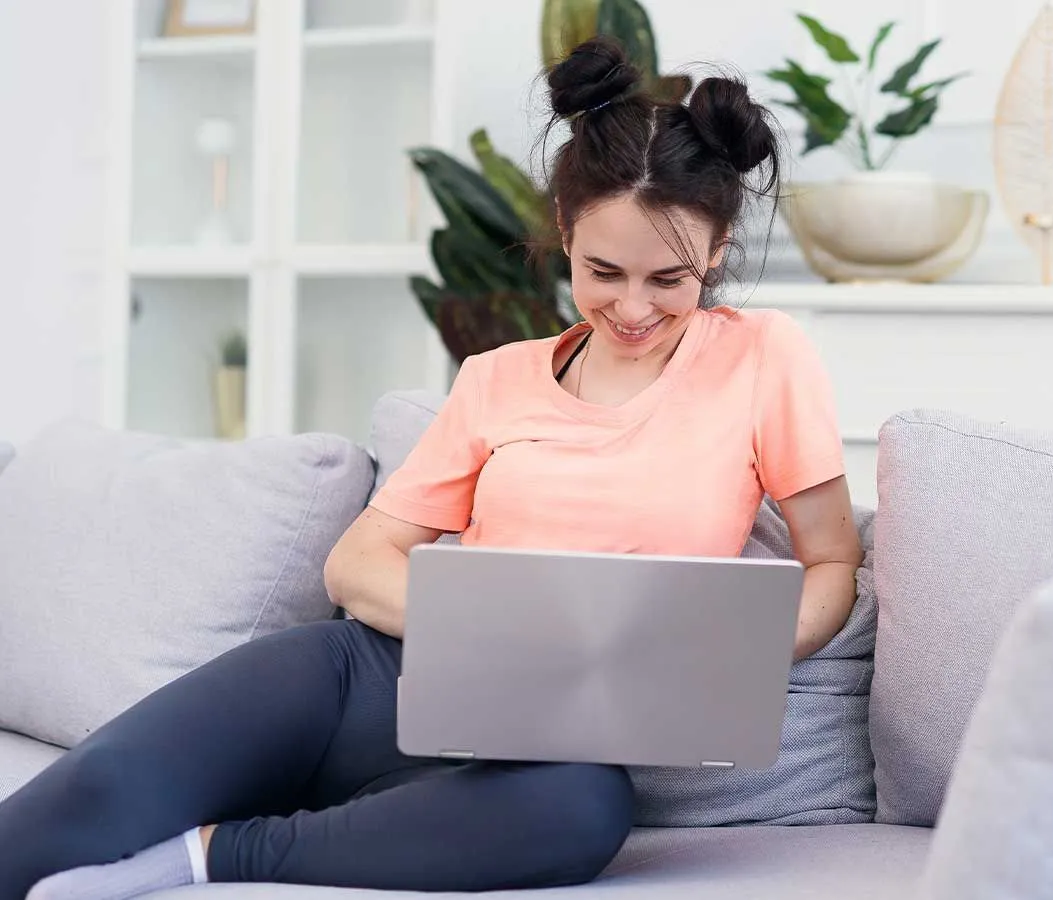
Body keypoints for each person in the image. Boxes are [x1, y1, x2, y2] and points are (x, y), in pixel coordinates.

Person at [0, 36, 862, 900]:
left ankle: (214, 854)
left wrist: (737, 648)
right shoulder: (496, 379)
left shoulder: (764, 360)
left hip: (545, 750)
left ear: (715, 254)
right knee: (95, 792)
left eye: (668, 280)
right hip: (364, 681)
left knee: (583, 812)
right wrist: (517, 635)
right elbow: (358, 562)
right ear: (564, 233)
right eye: (603, 271)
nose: (632, 308)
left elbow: (831, 562)